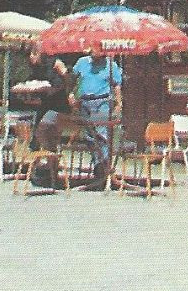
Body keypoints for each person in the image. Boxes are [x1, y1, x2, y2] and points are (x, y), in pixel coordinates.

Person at [25, 46, 76, 190]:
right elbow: (34, 83)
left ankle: (50, 169)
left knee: (45, 130)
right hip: (45, 104)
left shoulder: (54, 63)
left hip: (58, 105)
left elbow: (69, 80)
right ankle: (48, 173)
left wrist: (65, 77)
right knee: (40, 135)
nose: (30, 58)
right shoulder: (37, 68)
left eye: (33, 54)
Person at [72, 53, 122, 175]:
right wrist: (72, 93)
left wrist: (119, 103)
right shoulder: (82, 62)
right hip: (84, 102)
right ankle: (98, 164)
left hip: (102, 101)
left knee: (101, 133)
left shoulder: (111, 65)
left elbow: (117, 85)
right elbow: (72, 79)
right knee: (89, 135)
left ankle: (103, 166)